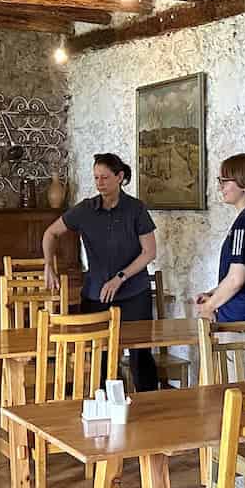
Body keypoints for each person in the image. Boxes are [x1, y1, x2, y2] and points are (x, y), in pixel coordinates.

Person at [41, 152, 160, 391]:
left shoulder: (136, 209)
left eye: (104, 177)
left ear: (120, 177)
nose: (99, 183)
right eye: (96, 178)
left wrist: (120, 278)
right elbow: (50, 233)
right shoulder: (85, 209)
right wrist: (48, 265)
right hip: (96, 294)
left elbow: (149, 252)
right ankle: (106, 408)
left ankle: (150, 407)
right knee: (102, 355)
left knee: (140, 354)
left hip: (134, 292)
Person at [195, 153, 245, 323]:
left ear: (244, 184)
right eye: (220, 181)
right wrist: (213, 294)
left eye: (225, 181)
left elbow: (236, 279)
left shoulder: (244, 223)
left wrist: (208, 308)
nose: (220, 187)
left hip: (240, 318)